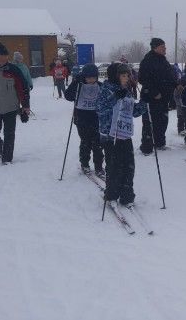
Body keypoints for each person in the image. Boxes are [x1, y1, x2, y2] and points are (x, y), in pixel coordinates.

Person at [97, 63, 147, 207]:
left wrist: (144, 102)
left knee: (128, 165)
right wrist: (115, 98)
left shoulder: (126, 91)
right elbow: (100, 109)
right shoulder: (106, 89)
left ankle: (127, 195)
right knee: (114, 166)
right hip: (110, 135)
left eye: (128, 75)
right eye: (123, 76)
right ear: (115, 76)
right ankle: (112, 194)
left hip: (125, 134)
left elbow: (133, 111)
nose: (126, 78)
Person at [0, 42, 30, 164]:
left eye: (5, 55)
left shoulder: (14, 70)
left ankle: (7, 159)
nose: (3, 57)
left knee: (9, 134)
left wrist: (25, 106)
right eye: (0, 55)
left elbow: (23, 88)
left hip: (10, 108)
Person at [138, 38, 177, 154]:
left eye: (165, 47)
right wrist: (154, 92)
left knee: (162, 121)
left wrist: (176, 84)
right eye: (162, 47)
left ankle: (160, 143)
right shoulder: (148, 61)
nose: (165, 49)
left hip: (164, 98)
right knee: (149, 122)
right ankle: (147, 146)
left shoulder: (163, 60)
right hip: (151, 98)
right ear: (155, 48)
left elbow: (169, 76)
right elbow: (143, 79)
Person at [64, 63, 104, 177]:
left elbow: (109, 97)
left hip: (96, 118)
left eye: (94, 77)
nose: (91, 80)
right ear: (84, 77)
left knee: (98, 144)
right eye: (88, 77)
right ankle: (85, 164)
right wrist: (75, 81)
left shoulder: (100, 86)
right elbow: (68, 96)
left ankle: (99, 167)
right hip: (82, 118)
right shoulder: (79, 86)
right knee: (86, 142)